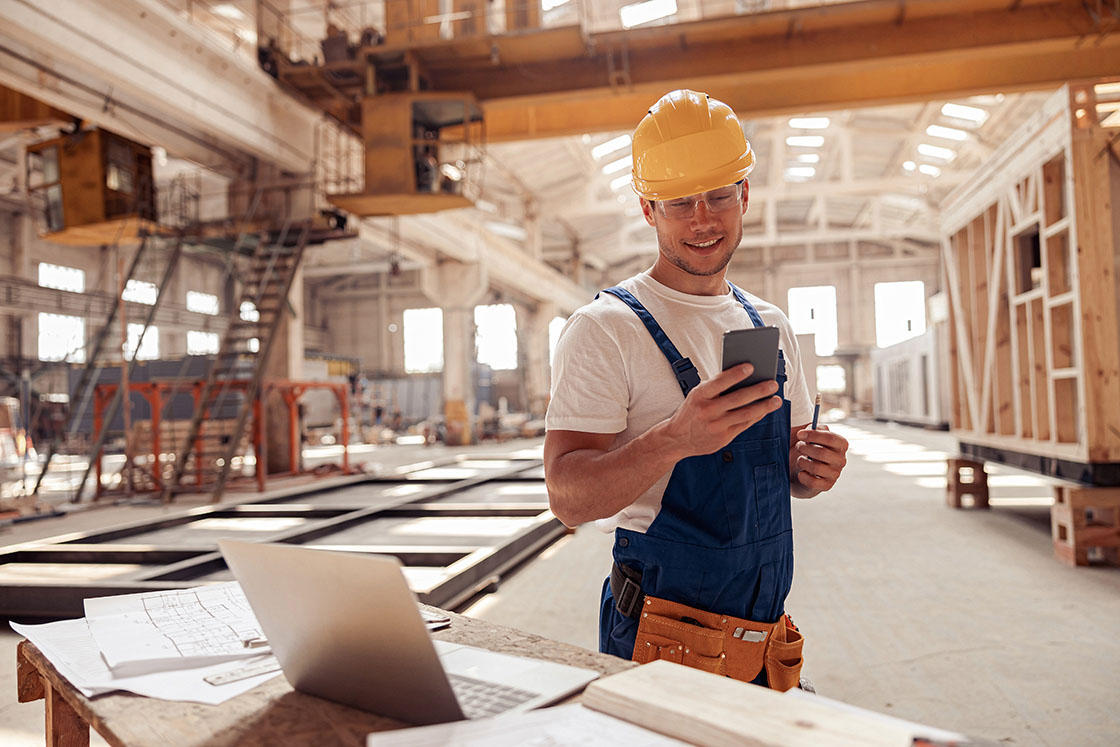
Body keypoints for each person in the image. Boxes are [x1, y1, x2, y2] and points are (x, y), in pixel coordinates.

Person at [544, 89, 849, 691]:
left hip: (764, 636)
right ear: (647, 209)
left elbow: (782, 474)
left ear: (744, 195)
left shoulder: (768, 325)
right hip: (659, 640)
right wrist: (675, 440)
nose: (702, 219)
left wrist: (809, 471)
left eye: (717, 196)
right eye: (679, 202)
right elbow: (568, 500)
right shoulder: (606, 329)